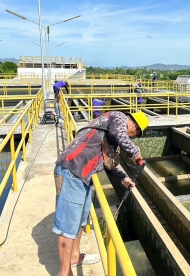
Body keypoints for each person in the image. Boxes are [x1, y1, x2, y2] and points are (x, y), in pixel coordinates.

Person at [52, 111, 149, 276]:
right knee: (67, 227)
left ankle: (75, 256)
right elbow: (119, 134)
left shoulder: (111, 135)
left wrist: (123, 179)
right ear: (134, 126)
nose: (131, 138)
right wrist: (135, 153)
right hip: (72, 170)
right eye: (135, 134)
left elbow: (109, 164)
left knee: (81, 219)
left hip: (83, 176)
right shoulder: (118, 117)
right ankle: (64, 273)